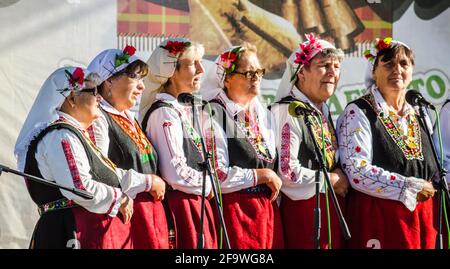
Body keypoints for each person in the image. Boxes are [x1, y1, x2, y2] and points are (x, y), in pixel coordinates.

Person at [14, 67, 142, 248]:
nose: (100, 97)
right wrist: (119, 198)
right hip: (68, 231)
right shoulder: (61, 136)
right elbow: (80, 187)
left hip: (81, 229)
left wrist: (147, 182)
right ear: (72, 99)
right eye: (93, 91)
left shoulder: (75, 134)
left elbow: (107, 173)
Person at [337, 37, 438, 249]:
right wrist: (409, 186)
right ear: (374, 71)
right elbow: (357, 170)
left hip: (422, 219)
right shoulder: (358, 111)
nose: (397, 70)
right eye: (388, 63)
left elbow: (436, 165)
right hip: (379, 218)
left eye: (404, 64)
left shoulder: (420, 112)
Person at [200, 43, 283, 249]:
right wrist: (262, 175)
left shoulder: (263, 114)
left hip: (266, 214)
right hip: (234, 214)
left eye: (258, 72)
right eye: (247, 73)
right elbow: (217, 176)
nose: (255, 77)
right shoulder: (213, 113)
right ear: (226, 79)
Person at [270, 33, 348, 249]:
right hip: (304, 216)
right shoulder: (288, 110)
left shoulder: (322, 110)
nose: (332, 72)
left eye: (336, 66)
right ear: (301, 73)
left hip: (329, 211)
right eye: (324, 65)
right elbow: (287, 172)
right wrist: (331, 180)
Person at [139, 38, 218, 249]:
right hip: (180, 208)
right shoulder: (163, 111)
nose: (201, 69)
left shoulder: (180, 109)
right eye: (193, 64)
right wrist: (209, 184)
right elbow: (174, 172)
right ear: (171, 71)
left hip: (194, 204)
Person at [87, 45, 169, 248]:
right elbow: (100, 172)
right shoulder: (98, 118)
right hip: (125, 218)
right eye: (135, 78)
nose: (142, 87)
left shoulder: (129, 118)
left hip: (149, 217)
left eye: (143, 80)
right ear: (109, 80)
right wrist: (148, 181)